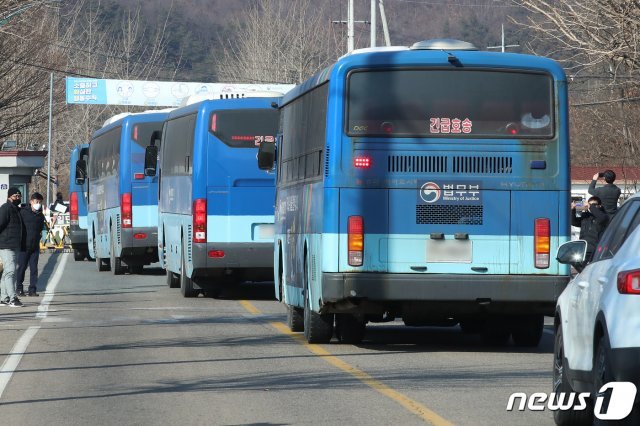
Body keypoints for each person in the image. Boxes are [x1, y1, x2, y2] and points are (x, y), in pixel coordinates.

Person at [16, 193, 45, 297]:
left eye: (40, 202)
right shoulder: (23, 212)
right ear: (31, 202)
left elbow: (41, 228)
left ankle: (32, 289)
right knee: (22, 267)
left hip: (34, 246)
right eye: (36, 202)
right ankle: (19, 288)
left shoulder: (40, 215)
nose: (38, 204)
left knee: (34, 269)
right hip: (23, 246)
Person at [0, 188, 25, 307]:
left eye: (19, 196)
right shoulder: (6, 208)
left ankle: (3, 298)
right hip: (6, 245)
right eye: (15, 196)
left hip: (14, 245)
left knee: (7, 272)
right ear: (10, 196)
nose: (18, 198)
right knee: (10, 271)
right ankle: (12, 298)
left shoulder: (16, 210)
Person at [571, 196, 609, 263]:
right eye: (590, 204)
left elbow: (603, 218)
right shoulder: (586, 216)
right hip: (583, 250)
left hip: (596, 251)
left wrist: (590, 206)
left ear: (600, 206)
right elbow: (573, 222)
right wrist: (573, 209)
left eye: (594, 205)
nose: (591, 206)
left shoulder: (603, 216)